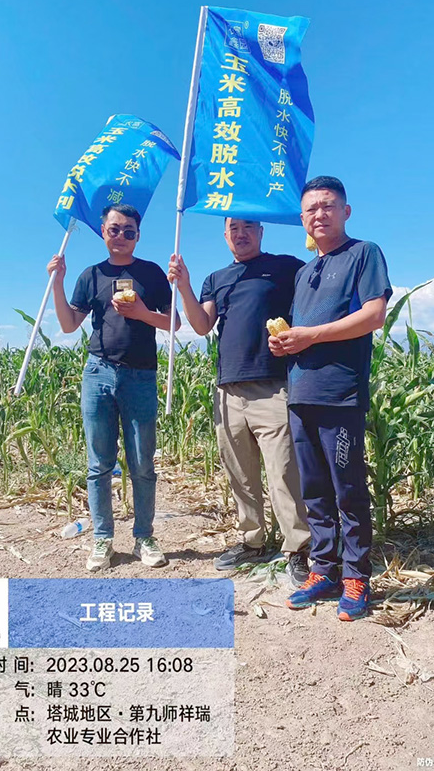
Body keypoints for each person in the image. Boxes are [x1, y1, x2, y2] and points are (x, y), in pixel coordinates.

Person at [269, 176, 392, 620]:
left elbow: (373, 315)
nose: (318, 214)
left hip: (340, 394)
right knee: (315, 491)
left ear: (345, 211)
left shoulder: (364, 254)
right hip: (300, 393)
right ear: (302, 219)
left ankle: (357, 575)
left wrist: (311, 335)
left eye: (327, 205)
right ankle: (323, 570)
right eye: (310, 209)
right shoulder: (304, 273)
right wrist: (286, 343)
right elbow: (302, 332)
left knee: (348, 489)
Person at [168, 218, 311, 588]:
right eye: (234, 228)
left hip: (273, 385)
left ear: (261, 232)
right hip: (228, 389)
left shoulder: (286, 267)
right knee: (240, 472)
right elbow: (202, 325)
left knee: (283, 471)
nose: (241, 233)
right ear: (225, 235)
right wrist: (184, 286)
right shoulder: (216, 279)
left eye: (249, 226)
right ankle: (253, 541)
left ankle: (298, 548)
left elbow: (314, 302)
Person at [47, 204, 180, 572]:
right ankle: (102, 539)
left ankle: (144, 537)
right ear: (103, 231)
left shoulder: (151, 273)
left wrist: (141, 313)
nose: (121, 236)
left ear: (138, 236)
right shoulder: (91, 275)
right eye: (114, 229)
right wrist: (57, 282)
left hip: (140, 375)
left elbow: (174, 322)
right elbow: (70, 324)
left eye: (129, 231)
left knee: (142, 463)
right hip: (98, 372)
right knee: (99, 464)